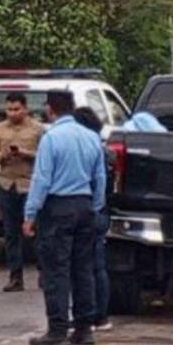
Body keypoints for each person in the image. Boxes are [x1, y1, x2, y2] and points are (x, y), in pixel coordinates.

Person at [23, 91, 107, 345]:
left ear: (50, 109)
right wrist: (94, 206)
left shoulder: (51, 138)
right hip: (85, 205)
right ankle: (84, 328)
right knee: (83, 269)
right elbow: (100, 178)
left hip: (58, 207)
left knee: (56, 270)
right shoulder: (91, 137)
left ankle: (57, 329)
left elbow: (42, 179)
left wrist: (30, 213)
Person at [0, 92, 44, 292]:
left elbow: (45, 155)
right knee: (10, 232)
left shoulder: (37, 129)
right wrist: (2, 155)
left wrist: (24, 153)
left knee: (36, 231)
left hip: (29, 185)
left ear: (25, 109)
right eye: (9, 109)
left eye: (16, 109)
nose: (12, 113)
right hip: (6, 184)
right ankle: (15, 276)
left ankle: (43, 272)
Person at [72, 106, 113, 333]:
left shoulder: (89, 148)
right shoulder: (102, 148)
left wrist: (93, 208)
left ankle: (92, 315)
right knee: (97, 265)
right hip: (101, 210)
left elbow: (98, 182)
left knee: (86, 266)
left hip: (91, 209)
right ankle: (100, 315)